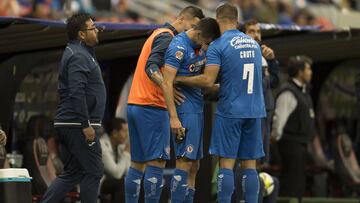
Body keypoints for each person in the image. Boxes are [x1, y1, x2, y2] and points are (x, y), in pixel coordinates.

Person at [175, 3, 266, 203]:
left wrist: (179, 79)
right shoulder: (253, 44)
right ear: (237, 20)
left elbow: (207, 81)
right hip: (255, 110)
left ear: (217, 20)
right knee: (249, 166)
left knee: (226, 165)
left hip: (231, 110)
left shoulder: (219, 44)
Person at [125, 6, 204, 203]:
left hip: (135, 103)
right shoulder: (168, 37)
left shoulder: (157, 33)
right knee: (157, 163)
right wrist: (166, 86)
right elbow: (151, 65)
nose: (193, 32)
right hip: (152, 105)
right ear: (182, 18)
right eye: (192, 26)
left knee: (137, 164)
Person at [41, 13, 106, 203]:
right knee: (94, 171)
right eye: (92, 28)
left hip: (71, 123)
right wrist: (85, 124)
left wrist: (95, 32)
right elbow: (76, 91)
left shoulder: (80, 51)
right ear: (81, 34)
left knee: (73, 172)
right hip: (77, 124)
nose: (97, 30)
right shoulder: (78, 55)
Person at [162, 17, 220, 203]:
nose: (208, 47)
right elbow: (167, 82)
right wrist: (173, 117)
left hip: (197, 108)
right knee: (184, 162)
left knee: (195, 164)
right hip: (184, 110)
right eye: (207, 43)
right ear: (200, 34)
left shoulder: (198, 46)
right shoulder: (178, 47)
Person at [232, 19, 280, 203]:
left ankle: (252, 198)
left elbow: (274, 82)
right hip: (250, 112)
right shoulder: (241, 54)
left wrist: (273, 61)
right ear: (243, 34)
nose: (257, 35)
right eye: (252, 31)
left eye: (258, 31)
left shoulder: (264, 55)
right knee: (245, 159)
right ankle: (241, 198)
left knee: (258, 160)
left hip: (265, 111)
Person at [271, 55, 315, 200]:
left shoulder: (304, 92)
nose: (310, 72)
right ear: (300, 71)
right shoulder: (288, 92)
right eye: (308, 69)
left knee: (299, 184)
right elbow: (279, 120)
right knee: (291, 184)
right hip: (290, 145)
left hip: (301, 145)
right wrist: (275, 138)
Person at [100, 118, 130, 203]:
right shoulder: (102, 146)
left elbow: (128, 171)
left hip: (115, 182)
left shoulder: (120, 146)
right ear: (115, 133)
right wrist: (126, 153)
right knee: (122, 183)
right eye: (124, 131)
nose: (127, 135)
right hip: (101, 183)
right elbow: (116, 174)